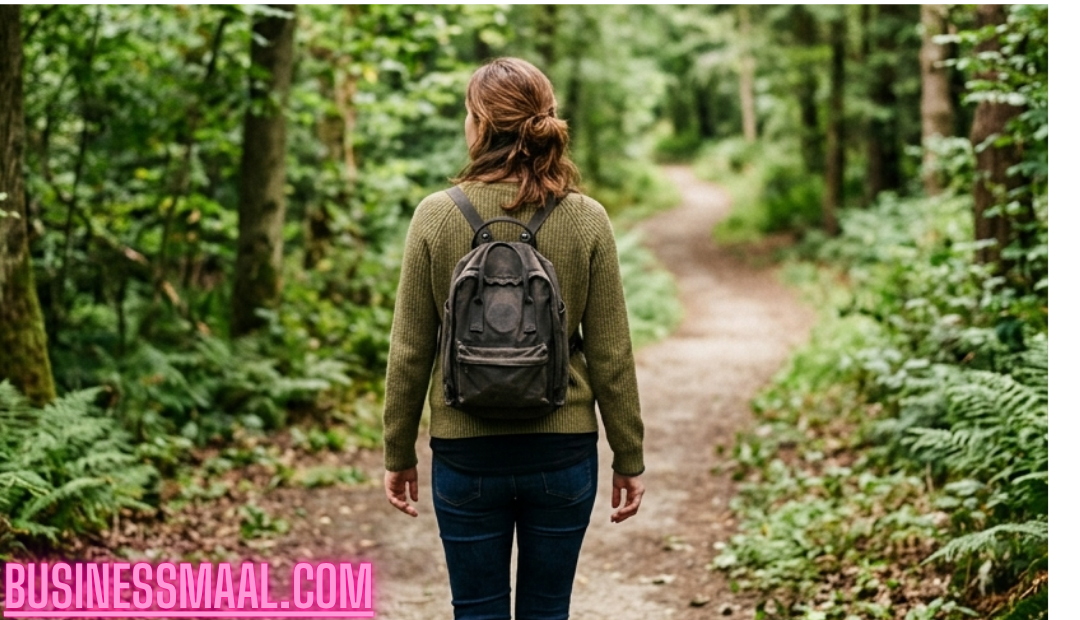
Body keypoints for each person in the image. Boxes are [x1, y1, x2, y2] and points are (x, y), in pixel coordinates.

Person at [382, 56, 645, 620]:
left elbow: (410, 349)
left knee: (476, 612)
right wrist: (629, 453)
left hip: (465, 448)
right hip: (564, 449)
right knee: (547, 612)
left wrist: (398, 450)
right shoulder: (586, 218)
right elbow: (611, 352)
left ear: (479, 124)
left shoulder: (434, 216)